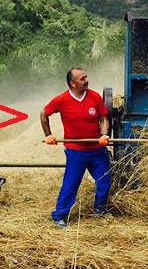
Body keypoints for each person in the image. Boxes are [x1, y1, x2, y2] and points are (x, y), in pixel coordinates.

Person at [40, 68, 111, 227]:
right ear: (73, 83)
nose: (86, 80)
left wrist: (104, 134)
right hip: (75, 151)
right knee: (71, 184)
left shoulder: (94, 96)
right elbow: (43, 114)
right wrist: (48, 135)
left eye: (86, 77)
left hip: (96, 150)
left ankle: (100, 210)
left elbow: (103, 118)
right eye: (82, 78)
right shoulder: (62, 100)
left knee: (104, 180)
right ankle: (59, 216)